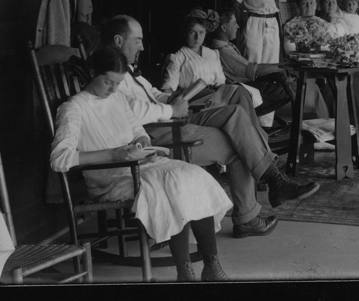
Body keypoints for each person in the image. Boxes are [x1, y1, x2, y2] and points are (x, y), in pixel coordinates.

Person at [103, 15, 319, 239]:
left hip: (169, 119)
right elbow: (126, 112)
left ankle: (272, 181)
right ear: (119, 41)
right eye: (137, 40)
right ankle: (255, 207)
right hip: (155, 135)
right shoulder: (109, 74)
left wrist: (174, 100)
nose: (142, 46)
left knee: (236, 112)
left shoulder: (126, 69)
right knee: (240, 141)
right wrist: (169, 110)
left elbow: (153, 94)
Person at [49, 46, 232, 281]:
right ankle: (184, 271)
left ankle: (211, 265)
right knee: (172, 185)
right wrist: (113, 155)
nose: (113, 89)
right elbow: (59, 158)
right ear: (92, 72)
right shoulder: (73, 108)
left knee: (194, 175)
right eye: (108, 82)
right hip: (111, 177)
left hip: (141, 164)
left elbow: (137, 130)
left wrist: (142, 143)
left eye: (118, 83)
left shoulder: (117, 97)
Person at [284, 0, 359, 132]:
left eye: (312, 3)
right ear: (298, 5)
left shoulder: (323, 23)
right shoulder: (292, 24)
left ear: (316, 5)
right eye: (304, 3)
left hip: (329, 62)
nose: (309, 7)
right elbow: (290, 50)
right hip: (311, 66)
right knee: (354, 80)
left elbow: (333, 43)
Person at [161, 10, 265, 120]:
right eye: (192, 32)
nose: (197, 37)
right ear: (185, 33)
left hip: (214, 96)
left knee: (240, 92)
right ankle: (252, 131)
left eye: (201, 32)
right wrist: (171, 111)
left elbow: (220, 82)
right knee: (238, 93)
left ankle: (249, 130)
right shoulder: (177, 58)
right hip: (194, 101)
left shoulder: (212, 54)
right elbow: (168, 90)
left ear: (206, 33)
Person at [207, 8, 294, 131]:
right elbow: (252, 71)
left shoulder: (224, 47)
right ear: (224, 28)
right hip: (246, 92)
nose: (237, 26)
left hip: (250, 88)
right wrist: (283, 66)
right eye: (234, 23)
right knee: (298, 88)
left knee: (295, 85)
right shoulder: (223, 51)